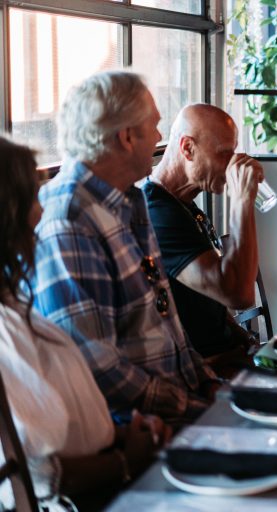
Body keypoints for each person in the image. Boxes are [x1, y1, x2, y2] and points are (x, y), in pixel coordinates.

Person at [32, 71, 219, 424]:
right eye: (155, 126)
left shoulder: (129, 201)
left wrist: (209, 386)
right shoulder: (69, 219)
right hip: (140, 432)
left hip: (180, 407)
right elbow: (96, 365)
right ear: (127, 137)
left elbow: (167, 325)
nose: (160, 137)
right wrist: (196, 409)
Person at [0, 136, 169, 508]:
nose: (41, 212)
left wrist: (123, 436)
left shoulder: (14, 304)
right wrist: (125, 460)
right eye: (32, 198)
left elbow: (64, 421)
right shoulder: (4, 328)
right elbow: (37, 476)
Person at [143, 104, 263, 375]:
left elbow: (207, 299)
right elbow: (238, 294)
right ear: (187, 148)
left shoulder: (185, 205)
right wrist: (242, 200)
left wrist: (244, 339)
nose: (231, 164)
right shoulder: (158, 213)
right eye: (224, 153)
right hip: (202, 374)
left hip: (231, 359)